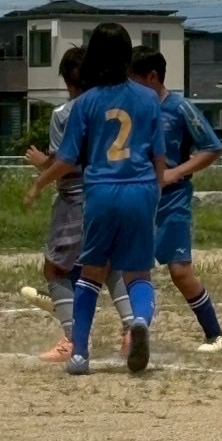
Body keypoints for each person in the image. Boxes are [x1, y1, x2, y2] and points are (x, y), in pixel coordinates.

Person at [25, 22, 165, 376]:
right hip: (141, 188)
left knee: (90, 275)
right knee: (138, 273)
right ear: (127, 56)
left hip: (101, 191)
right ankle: (139, 321)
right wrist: (156, 191)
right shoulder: (149, 98)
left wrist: (39, 183)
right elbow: (159, 155)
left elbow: (67, 159)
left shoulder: (85, 103)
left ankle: (80, 355)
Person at [22, 46, 134, 363]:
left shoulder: (66, 113)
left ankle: (73, 338)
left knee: (55, 268)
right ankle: (131, 329)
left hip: (77, 198)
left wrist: (42, 169)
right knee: (108, 263)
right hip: (116, 192)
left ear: (69, 81)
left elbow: (68, 162)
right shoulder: (113, 108)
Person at [131, 46, 222, 352]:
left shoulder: (180, 108)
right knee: (128, 270)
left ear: (153, 77)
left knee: (180, 272)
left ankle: (216, 334)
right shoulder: (132, 109)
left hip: (173, 202)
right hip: (137, 200)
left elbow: (212, 148)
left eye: (134, 81)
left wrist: (176, 172)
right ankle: (133, 334)